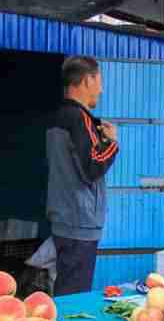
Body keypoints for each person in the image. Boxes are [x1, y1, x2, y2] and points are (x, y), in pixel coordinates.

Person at [45, 56, 119, 295]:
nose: (102, 88)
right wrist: (112, 143)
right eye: (99, 81)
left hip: (64, 216)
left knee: (66, 288)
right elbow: (92, 168)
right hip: (79, 220)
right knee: (74, 296)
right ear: (87, 80)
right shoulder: (80, 119)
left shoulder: (58, 116)